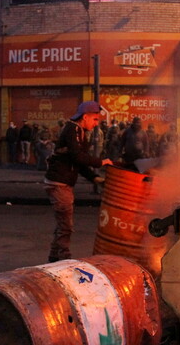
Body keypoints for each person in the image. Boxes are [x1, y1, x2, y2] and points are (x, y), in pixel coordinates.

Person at [43, 101, 112, 262]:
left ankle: (54, 257)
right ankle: (63, 258)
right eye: (95, 119)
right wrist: (101, 163)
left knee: (63, 223)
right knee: (66, 225)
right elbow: (78, 157)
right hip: (59, 183)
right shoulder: (72, 129)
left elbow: (78, 162)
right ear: (85, 117)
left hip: (62, 182)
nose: (96, 124)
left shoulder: (79, 132)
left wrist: (94, 178)